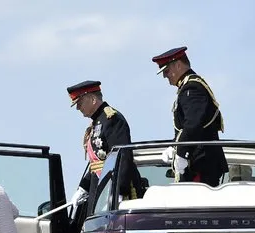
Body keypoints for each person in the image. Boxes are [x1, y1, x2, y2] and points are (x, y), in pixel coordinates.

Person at [152, 46, 229, 186]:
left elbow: (193, 124)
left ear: (178, 65)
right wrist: (174, 146)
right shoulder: (187, 87)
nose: (165, 76)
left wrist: (181, 153)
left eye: (167, 70)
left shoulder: (191, 88)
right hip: (197, 161)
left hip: (201, 163)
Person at [66, 80, 143, 211]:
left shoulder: (111, 119)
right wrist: (83, 188)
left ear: (92, 99)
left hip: (112, 187)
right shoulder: (96, 123)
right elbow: (96, 163)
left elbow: (122, 157)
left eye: (79, 103)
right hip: (101, 189)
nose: (78, 108)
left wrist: (119, 191)